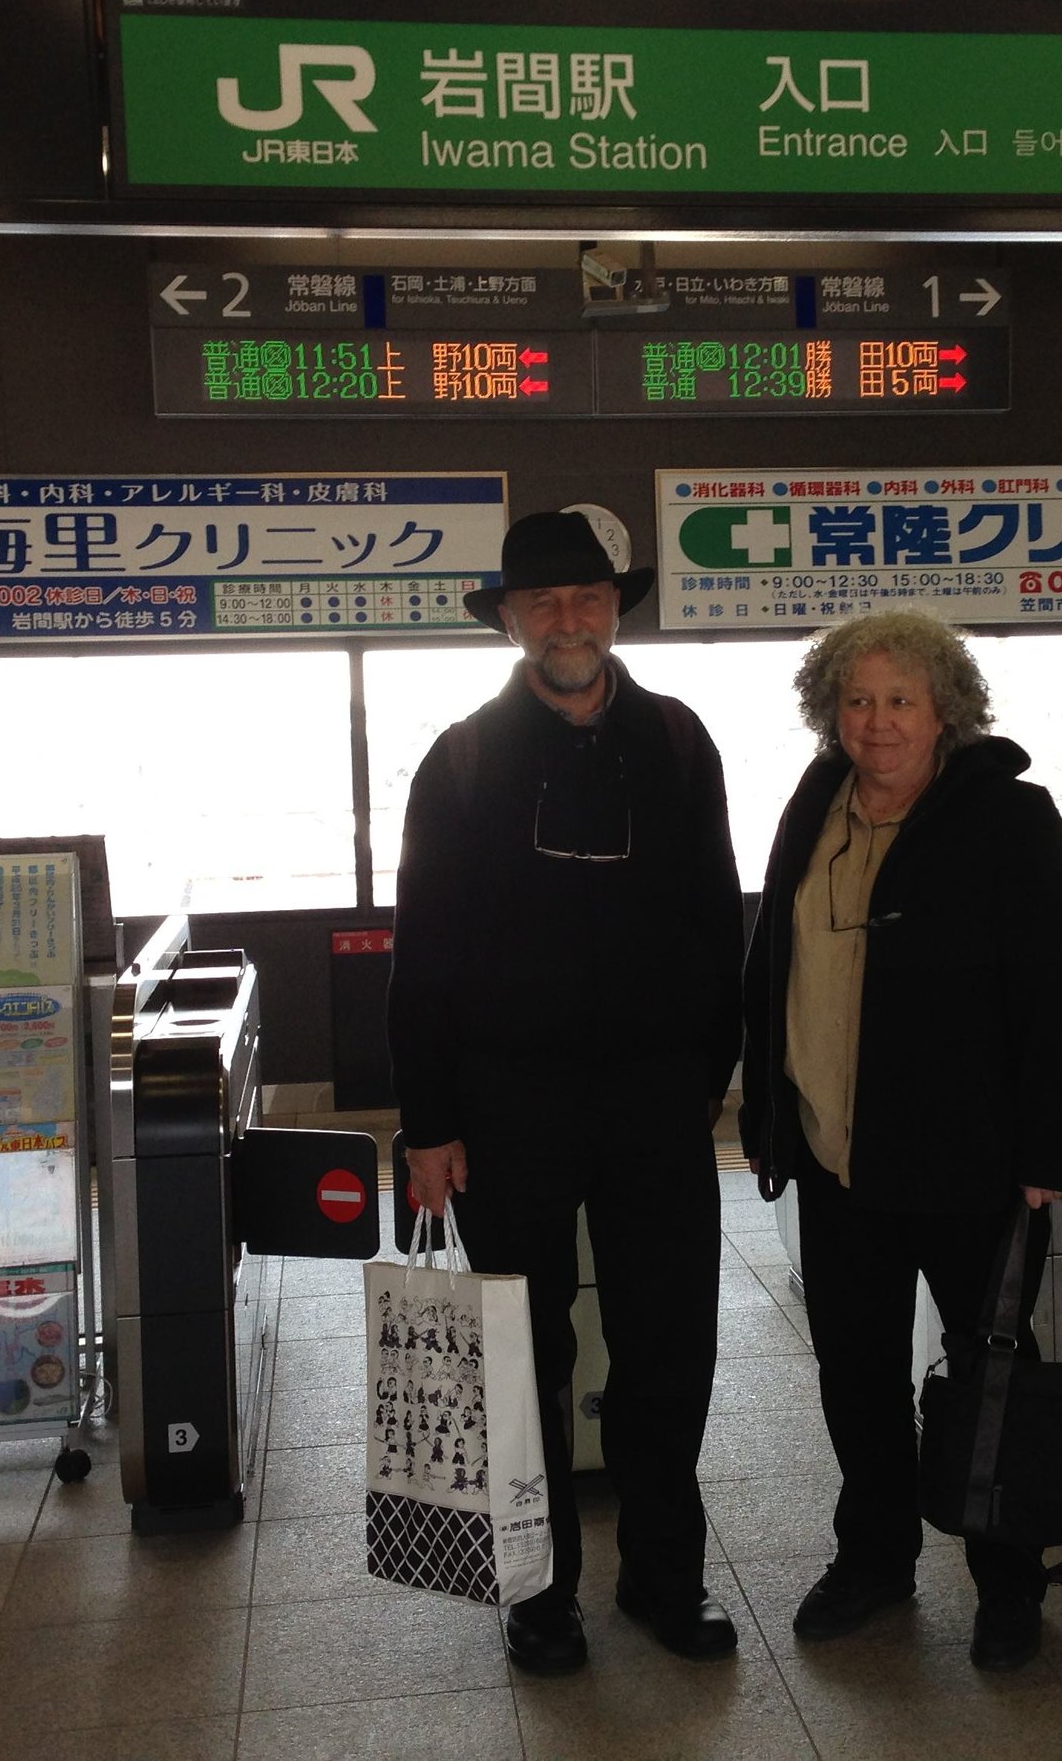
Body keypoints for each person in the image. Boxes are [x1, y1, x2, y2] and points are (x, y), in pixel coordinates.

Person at [388, 506, 745, 1678]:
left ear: (614, 609)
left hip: (654, 1097)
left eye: (586, 597)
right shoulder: (462, 758)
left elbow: (717, 913)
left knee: (667, 1340)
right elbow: (421, 951)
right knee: (517, 1348)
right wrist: (428, 1122)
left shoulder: (681, 743)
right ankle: (536, 1592)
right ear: (506, 622)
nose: (566, 619)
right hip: (505, 1103)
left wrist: (710, 1069)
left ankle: (663, 1576)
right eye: (540, 601)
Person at [738, 607, 1062, 1674]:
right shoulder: (815, 800)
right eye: (857, 700)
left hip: (963, 1156)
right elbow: (774, 962)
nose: (877, 722)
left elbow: (1047, 993)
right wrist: (764, 1110)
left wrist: (1051, 1153)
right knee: (854, 1372)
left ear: (945, 710)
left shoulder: (1010, 819)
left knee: (989, 1373)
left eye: (899, 700)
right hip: (835, 1155)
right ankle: (875, 1558)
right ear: (828, 711)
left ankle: (1008, 1578)